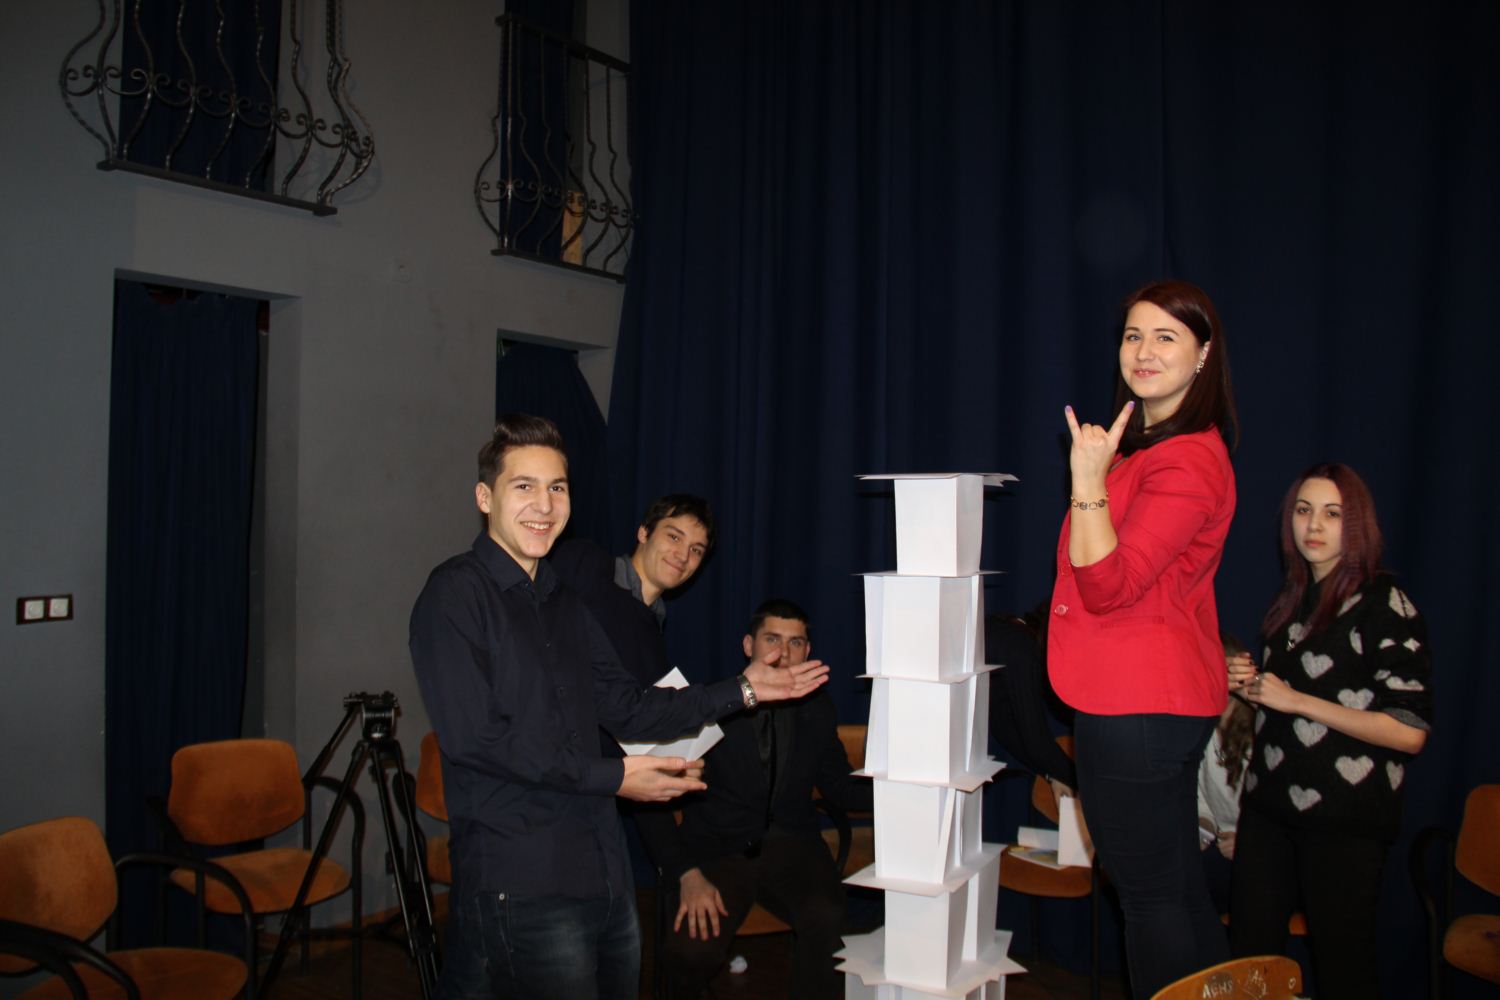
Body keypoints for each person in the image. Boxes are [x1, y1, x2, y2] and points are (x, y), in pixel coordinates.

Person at [409, 414, 829, 999]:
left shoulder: (562, 600)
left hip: (601, 868)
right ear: (485, 497)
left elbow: (629, 707)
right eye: (524, 486)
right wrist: (616, 777)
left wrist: (745, 689)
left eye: (557, 487)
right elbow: (479, 740)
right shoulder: (456, 593)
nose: (544, 504)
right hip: (521, 873)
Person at [1047, 279, 1239, 997]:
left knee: (1150, 898)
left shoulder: (1187, 459)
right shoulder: (1155, 451)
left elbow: (1106, 584)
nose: (1144, 351)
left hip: (1139, 706)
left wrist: (1086, 479)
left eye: (1166, 337)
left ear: (1203, 355)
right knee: (1177, 890)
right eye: (1133, 336)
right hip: (1146, 702)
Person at [1227, 463, 1431, 1000]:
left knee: (1344, 968)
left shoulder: (1385, 604)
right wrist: (1249, 689)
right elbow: (1290, 709)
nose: (1313, 525)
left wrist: (1296, 700)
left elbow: (1409, 731)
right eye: (1303, 510)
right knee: (1252, 962)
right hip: (1268, 810)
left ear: (1357, 523)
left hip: (1346, 822)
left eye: (1333, 514)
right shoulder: (1292, 601)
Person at [642, 599, 872, 1000]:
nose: (783, 653)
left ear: (808, 651)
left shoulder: (818, 707)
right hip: (717, 850)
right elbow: (653, 798)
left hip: (794, 846)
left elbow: (838, 786)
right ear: (748, 645)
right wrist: (685, 873)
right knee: (690, 952)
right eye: (772, 639)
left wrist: (905, 791)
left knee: (830, 922)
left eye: (795, 643)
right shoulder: (712, 702)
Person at [551, 494, 715, 687]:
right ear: (644, 533)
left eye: (696, 550)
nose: (683, 556)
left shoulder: (655, 649)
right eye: (674, 537)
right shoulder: (585, 564)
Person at [984, 611, 1078, 806]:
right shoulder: (1022, 650)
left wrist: (1053, 774)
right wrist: (1085, 782)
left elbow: (1004, 728)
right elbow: (1035, 738)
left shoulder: (1011, 638)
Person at [1197, 632, 1256, 913]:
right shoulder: (1201, 729)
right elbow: (1202, 801)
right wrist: (1201, 831)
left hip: (1257, 850)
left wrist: (1246, 841)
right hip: (1220, 844)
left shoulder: (1258, 730)